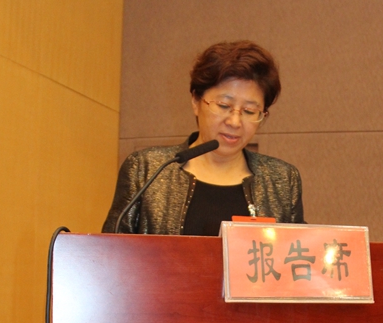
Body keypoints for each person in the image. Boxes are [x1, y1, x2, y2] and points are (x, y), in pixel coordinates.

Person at [102, 40, 304, 235]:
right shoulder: (147, 169)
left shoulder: (282, 180)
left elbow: (299, 254)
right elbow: (110, 251)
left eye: (250, 111)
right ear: (196, 101)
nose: (235, 122)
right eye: (223, 106)